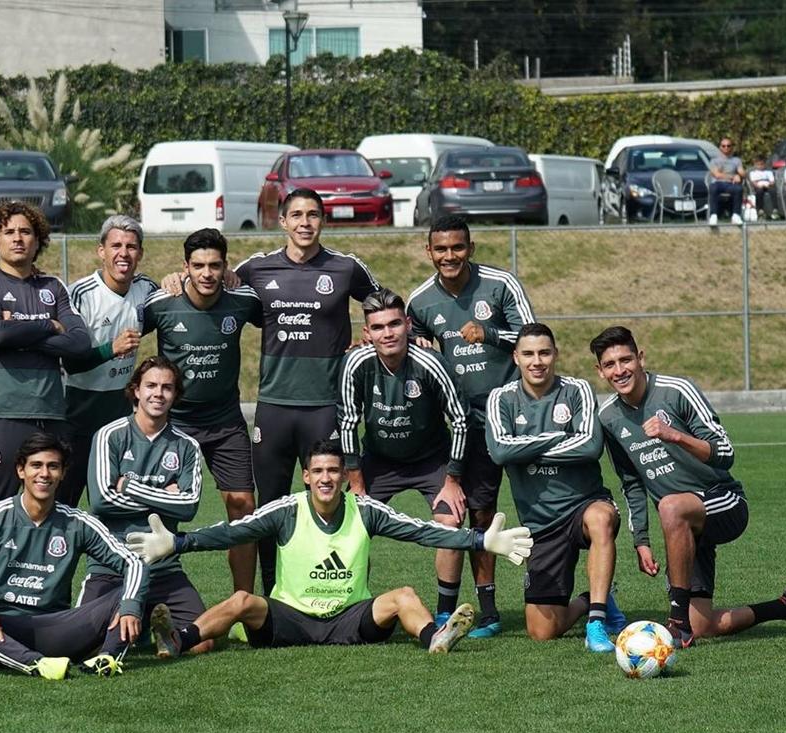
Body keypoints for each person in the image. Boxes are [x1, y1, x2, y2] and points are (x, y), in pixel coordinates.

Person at [161, 188, 378, 595]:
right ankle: (271, 596)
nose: (304, 223)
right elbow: (212, 281)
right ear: (282, 221)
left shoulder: (346, 267)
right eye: (296, 215)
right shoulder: (257, 268)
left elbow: (383, 304)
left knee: (333, 502)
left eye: (312, 214)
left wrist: (376, 335)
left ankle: (344, 594)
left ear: (323, 220)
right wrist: (176, 278)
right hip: (274, 408)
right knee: (268, 508)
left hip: (326, 407)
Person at [123, 441, 533, 655]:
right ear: (306, 476)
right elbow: (233, 532)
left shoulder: (364, 509)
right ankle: (176, 640)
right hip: (291, 618)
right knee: (242, 600)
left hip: (351, 618)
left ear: (343, 476)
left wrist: (480, 540)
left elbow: (423, 532)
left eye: (333, 470)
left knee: (404, 596)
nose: (325, 478)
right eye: (318, 470)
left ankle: (435, 638)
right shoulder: (287, 509)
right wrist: (178, 541)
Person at [589, 325, 786, 648]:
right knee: (704, 625)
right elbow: (630, 482)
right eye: (610, 364)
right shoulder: (608, 417)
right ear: (600, 371)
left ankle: (676, 625)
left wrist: (675, 435)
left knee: (671, 505)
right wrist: (641, 540)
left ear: (640, 358)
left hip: (723, 501)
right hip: (682, 527)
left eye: (626, 360)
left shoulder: (677, 390)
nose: (620, 370)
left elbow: (725, 453)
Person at [407, 214, 535, 638]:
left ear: (471, 248)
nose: (450, 256)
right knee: (481, 512)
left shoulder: (500, 284)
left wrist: (490, 333)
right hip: (469, 422)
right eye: (441, 249)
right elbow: (414, 352)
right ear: (429, 252)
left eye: (457, 247)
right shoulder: (420, 302)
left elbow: (533, 339)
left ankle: (585, 598)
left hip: (518, 413)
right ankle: (489, 612)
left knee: (545, 508)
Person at [0, 433, 149, 679]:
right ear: (21, 470)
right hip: (0, 630)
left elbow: (134, 563)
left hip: (56, 628)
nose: (44, 474)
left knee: (129, 592)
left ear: (63, 473)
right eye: (36, 465)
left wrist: (130, 606)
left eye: (53, 466)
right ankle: (36, 664)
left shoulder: (77, 523)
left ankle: (107, 658)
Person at [485, 323, 626, 653]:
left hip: (583, 504)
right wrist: (560, 437)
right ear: (516, 357)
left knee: (601, 519)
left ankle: (596, 622)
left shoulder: (577, 390)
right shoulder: (501, 398)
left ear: (555, 355)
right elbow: (500, 451)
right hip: (540, 524)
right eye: (529, 354)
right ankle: (593, 598)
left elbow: (590, 445)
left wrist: (526, 448)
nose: (537, 361)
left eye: (544, 353)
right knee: (542, 631)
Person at [143, 228, 262, 593]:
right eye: (198, 266)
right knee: (159, 513)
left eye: (214, 265)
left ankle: (243, 604)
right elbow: (121, 327)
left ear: (225, 267)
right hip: (174, 424)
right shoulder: (162, 302)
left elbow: (282, 317)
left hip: (225, 422)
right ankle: (155, 600)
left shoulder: (243, 300)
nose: (206, 273)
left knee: (243, 509)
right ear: (185, 267)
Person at [0, 201, 90, 514]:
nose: (17, 238)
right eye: (9, 232)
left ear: (38, 240)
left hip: (52, 415)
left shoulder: (53, 286)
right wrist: (49, 325)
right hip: (4, 413)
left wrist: (17, 330)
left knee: (51, 513)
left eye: (26, 231)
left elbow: (80, 343)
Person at [83, 356, 211, 652]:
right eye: (151, 386)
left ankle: (154, 625)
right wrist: (166, 497)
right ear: (136, 390)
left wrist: (129, 486)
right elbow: (101, 500)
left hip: (163, 568)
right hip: (112, 565)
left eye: (167, 387)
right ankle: (141, 624)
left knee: (201, 643)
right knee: (89, 645)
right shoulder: (109, 435)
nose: (158, 393)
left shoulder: (187, 445)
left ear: (175, 394)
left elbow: (189, 506)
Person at [338, 288, 468, 541]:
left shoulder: (430, 362)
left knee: (450, 521)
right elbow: (347, 422)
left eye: (394, 324)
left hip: (431, 459)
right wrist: (356, 484)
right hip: (379, 460)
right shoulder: (355, 362)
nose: (387, 334)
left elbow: (461, 420)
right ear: (367, 333)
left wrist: (453, 480)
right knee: (350, 523)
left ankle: (446, 573)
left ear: (408, 325)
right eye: (378, 327)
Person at [62, 215, 156, 506]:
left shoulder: (147, 289)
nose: (123, 253)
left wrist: (177, 280)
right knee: (64, 501)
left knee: (115, 503)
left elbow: (170, 310)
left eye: (131, 246)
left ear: (140, 253)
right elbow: (69, 362)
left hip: (119, 410)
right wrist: (111, 349)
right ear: (101, 251)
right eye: (116, 245)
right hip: (77, 410)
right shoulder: (81, 295)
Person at [707, 137, 746, 227]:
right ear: (720, 147)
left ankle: (736, 215)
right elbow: (717, 175)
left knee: (739, 189)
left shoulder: (736, 160)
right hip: (718, 183)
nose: (726, 148)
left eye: (728, 146)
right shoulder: (714, 161)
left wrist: (740, 176)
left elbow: (742, 172)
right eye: (723, 146)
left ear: (732, 147)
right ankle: (713, 215)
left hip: (731, 185)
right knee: (713, 188)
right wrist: (733, 176)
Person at [747, 156, 779, 221]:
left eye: (762, 164)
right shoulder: (753, 173)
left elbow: (772, 181)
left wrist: (769, 184)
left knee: (773, 190)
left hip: (768, 185)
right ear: (755, 165)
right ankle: (760, 210)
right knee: (759, 192)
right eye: (758, 165)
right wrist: (758, 185)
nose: (760, 166)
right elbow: (753, 182)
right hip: (758, 186)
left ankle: (775, 209)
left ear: (764, 164)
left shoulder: (768, 172)